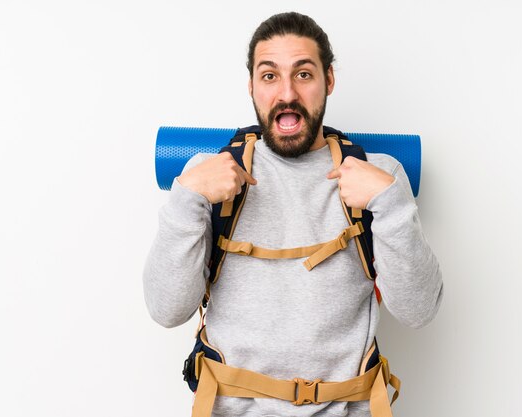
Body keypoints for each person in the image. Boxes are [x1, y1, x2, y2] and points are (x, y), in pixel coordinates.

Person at [143, 11, 443, 417]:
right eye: (269, 76)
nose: (286, 94)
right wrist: (186, 196)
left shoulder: (381, 175)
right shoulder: (206, 174)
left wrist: (389, 203)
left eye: (303, 74)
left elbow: (419, 311)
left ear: (329, 80)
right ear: (251, 85)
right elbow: (166, 310)